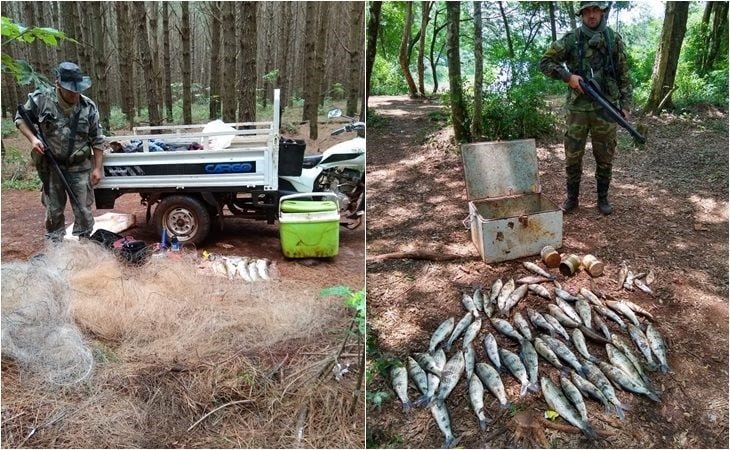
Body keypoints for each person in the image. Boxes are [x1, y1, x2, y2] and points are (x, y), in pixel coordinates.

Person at [539, 1, 632, 215]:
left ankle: (603, 198)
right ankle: (572, 198)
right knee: (573, 155)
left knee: (605, 155)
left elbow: (624, 75)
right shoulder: (571, 39)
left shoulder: (613, 39)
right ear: (582, 14)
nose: (591, 15)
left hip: (606, 108)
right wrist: (568, 77)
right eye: (587, 11)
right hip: (577, 109)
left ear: (602, 12)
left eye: (595, 10)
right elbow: (545, 62)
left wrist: (625, 105)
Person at [15, 62, 105, 241]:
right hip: (51, 167)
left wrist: (97, 168)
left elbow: (97, 139)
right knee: (54, 212)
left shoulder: (88, 107)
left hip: (79, 168)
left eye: (77, 89)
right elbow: (20, 119)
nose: (74, 94)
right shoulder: (41, 100)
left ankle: (84, 247)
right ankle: (56, 250)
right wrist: (33, 139)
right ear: (58, 84)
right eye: (70, 90)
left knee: (84, 211)